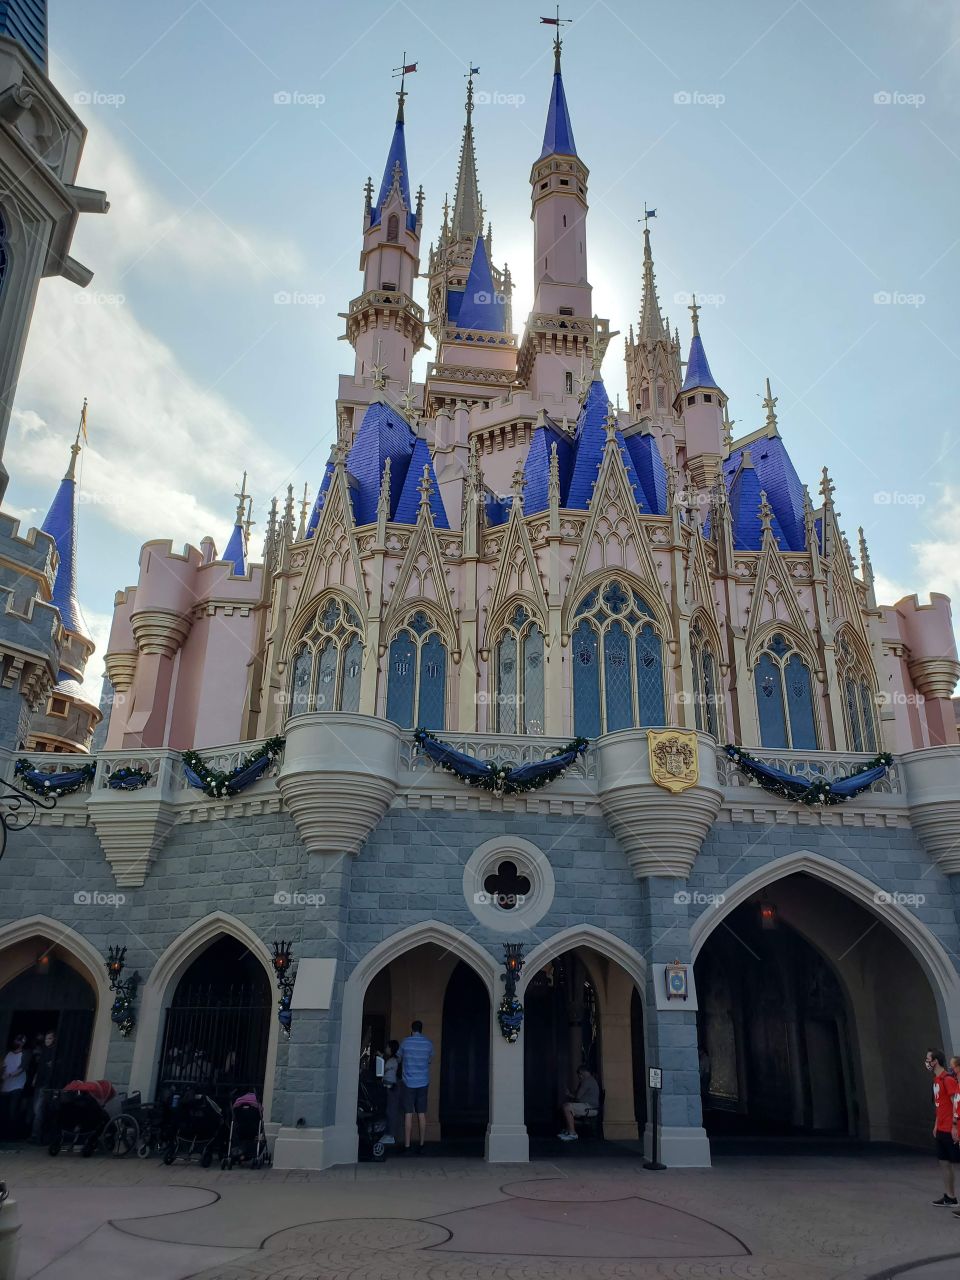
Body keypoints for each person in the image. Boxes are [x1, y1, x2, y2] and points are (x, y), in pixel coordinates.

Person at [925, 1048, 960, 1206]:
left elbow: (955, 1104)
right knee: (944, 1162)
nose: (926, 1062)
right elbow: (940, 1105)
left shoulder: (948, 1079)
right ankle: (950, 1196)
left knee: (955, 1162)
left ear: (935, 1061)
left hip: (950, 1128)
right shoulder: (936, 1081)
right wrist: (936, 1124)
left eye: (928, 1059)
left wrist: (954, 1126)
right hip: (941, 1128)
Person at [397, 1020, 433, 1154]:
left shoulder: (405, 1042)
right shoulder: (428, 1043)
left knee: (408, 1113)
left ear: (412, 1029)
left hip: (408, 1082)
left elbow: (399, 1058)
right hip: (423, 1081)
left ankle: (407, 1145)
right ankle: (422, 1144)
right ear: (421, 1029)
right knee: (421, 1113)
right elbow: (429, 1060)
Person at [558, 1065, 600, 1141]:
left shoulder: (587, 1081)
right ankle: (568, 1131)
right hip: (589, 1106)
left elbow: (577, 1096)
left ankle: (572, 1133)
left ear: (584, 1072)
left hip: (590, 1108)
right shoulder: (590, 1080)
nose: (579, 1076)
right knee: (566, 1105)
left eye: (579, 1073)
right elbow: (577, 1095)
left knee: (566, 1107)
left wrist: (568, 1094)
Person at [30, 1031, 57, 1144]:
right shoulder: (44, 1051)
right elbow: (40, 1067)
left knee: (39, 1110)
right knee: (35, 1109)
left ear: (54, 1039)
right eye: (46, 1039)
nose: (47, 1041)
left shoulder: (54, 1052)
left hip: (46, 1084)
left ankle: (36, 1136)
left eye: (50, 1038)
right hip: (39, 1083)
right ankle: (36, 1135)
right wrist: (35, 1078)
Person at [1, 1034, 28, 1140]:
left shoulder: (24, 1054)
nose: (18, 1043)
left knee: (12, 1111)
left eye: (21, 1041)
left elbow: (22, 1068)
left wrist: (9, 1074)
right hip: (5, 1086)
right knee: (4, 1111)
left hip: (17, 1085)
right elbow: (3, 1066)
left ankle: (11, 1135)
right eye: (17, 1040)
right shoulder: (8, 1053)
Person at [382, 1040, 401, 1146]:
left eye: (387, 1047)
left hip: (391, 1087)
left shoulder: (392, 1061)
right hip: (391, 1086)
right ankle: (388, 1134)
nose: (386, 1049)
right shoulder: (394, 1060)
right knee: (390, 1111)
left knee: (391, 1111)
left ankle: (391, 1135)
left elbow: (383, 1070)